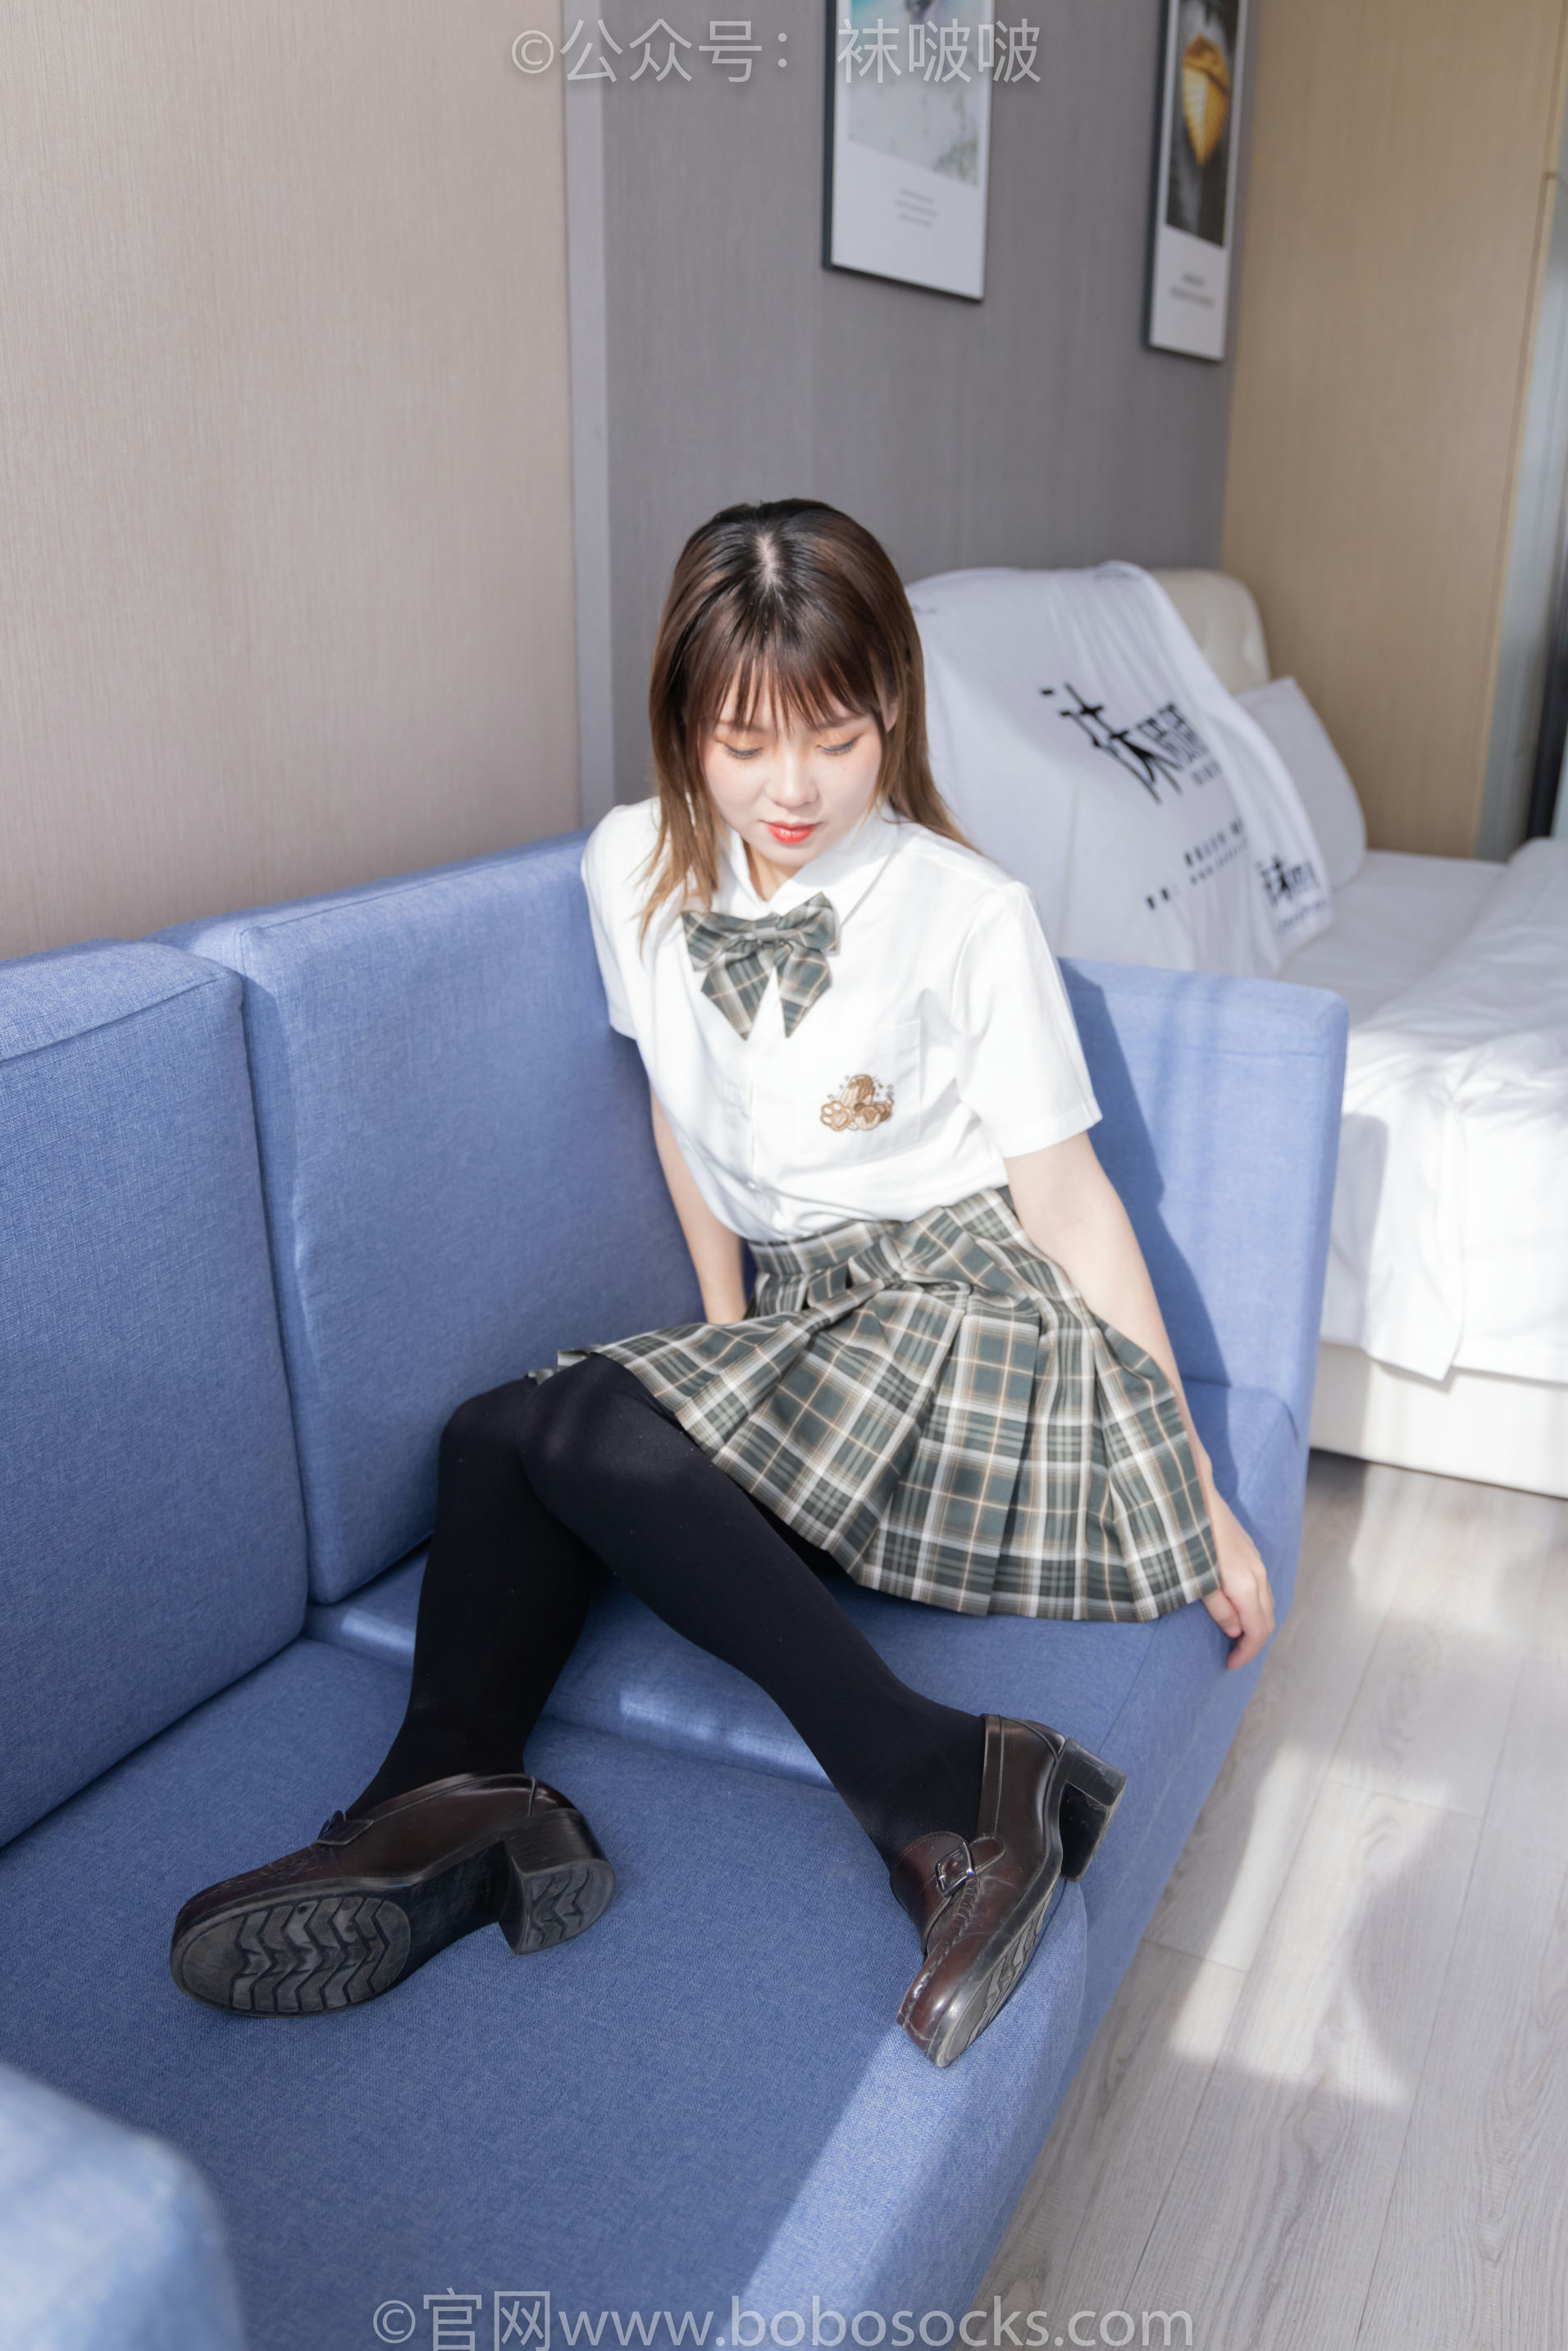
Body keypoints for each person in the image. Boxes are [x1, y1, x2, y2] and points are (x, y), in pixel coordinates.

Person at [171, 500, 1274, 2067]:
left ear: (893, 708)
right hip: (816, 1320)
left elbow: (1069, 1203)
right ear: (683, 723)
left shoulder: (967, 913)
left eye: (836, 736)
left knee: (566, 1425)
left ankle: (944, 1785)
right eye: (745, 744)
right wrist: (729, 1340)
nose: (793, 789)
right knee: (493, 1437)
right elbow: (681, 1124)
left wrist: (1191, 1478)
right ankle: (451, 1799)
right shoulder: (630, 864)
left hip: (968, 1312)